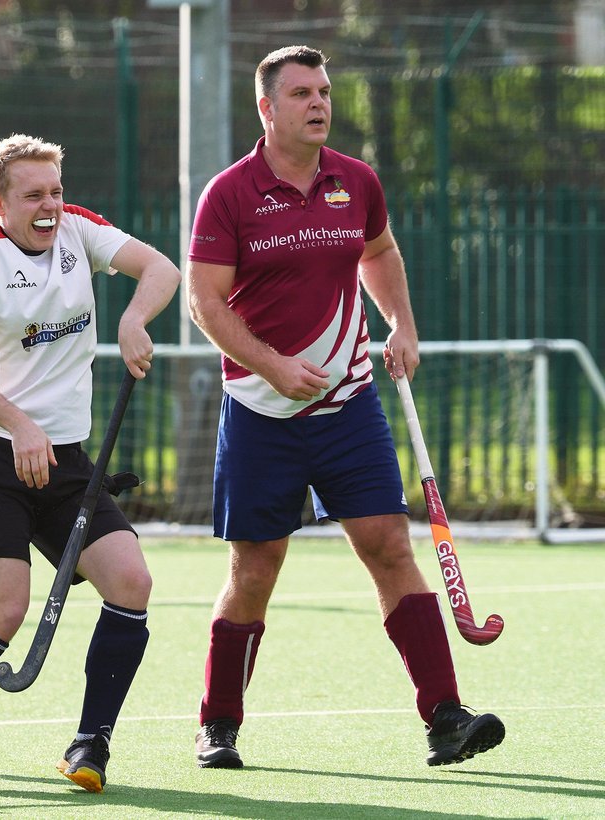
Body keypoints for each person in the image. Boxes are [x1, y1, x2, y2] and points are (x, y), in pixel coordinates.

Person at [185, 46, 505, 769]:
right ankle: (219, 723)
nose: (319, 103)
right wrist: (272, 364)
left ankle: (445, 717)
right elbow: (205, 303)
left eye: (324, 91)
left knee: (389, 546)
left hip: (351, 405)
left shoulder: (355, 182)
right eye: (301, 93)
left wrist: (402, 323)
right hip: (262, 412)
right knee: (255, 569)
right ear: (267, 109)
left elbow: (380, 252)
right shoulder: (231, 193)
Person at [0, 133, 181, 794]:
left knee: (130, 583)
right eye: (33, 195)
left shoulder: (79, 230)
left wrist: (135, 318)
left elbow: (162, 269)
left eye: (55, 190)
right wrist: (18, 424)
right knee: (5, 608)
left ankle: (90, 743)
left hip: (67, 457)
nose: (50, 205)